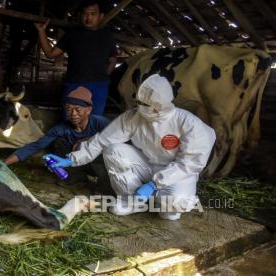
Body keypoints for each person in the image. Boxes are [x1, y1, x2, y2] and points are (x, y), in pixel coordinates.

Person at [44, 74, 216, 220]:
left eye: (145, 105)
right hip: (147, 165)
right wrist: (70, 159)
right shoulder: (134, 116)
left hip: (177, 174)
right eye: (139, 102)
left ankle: (160, 199)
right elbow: (102, 140)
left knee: (171, 209)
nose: (140, 107)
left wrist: (153, 185)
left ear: (159, 106)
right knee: (113, 151)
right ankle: (132, 201)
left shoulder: (189, 124)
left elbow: (190, 164)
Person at [34, 0, 117, 116]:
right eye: (85, 14)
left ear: (101, 16)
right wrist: (41, 31)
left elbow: (112, 60)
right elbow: (50, 53)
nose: (88, 18)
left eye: (93, 14)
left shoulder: (108, 37)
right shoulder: (71, 35)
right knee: (70, 119)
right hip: (74, 84)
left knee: (94, 120)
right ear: (80, 16)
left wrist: (102, 77)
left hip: (99, 86)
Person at [4, 86, 110, 168]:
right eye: (69, 109)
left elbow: (119, 140)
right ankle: (76, 176)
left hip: (100, 161)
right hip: (74, 162)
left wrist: (86, 140)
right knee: (60, 143)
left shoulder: (101, 123)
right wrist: (3, 164)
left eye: (78, 110)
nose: (73, 114)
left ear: (89, 110)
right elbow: (36, 146)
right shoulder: (62, 128)